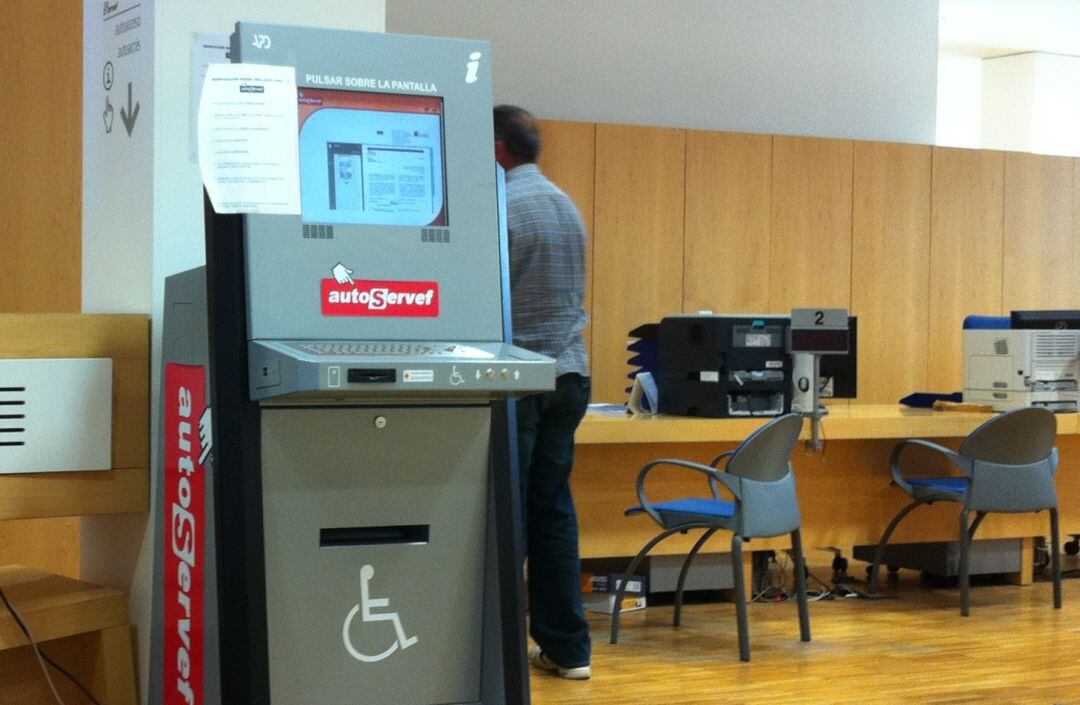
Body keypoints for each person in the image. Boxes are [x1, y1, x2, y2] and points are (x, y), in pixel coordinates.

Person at [493, 105, 592, 680]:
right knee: (552, 510)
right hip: (570, 375)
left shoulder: (501, 206)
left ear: (496, 148)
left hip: (520, 378)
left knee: (507, 513)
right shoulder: (565, 204)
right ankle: (568, 649)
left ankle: (497, 651)